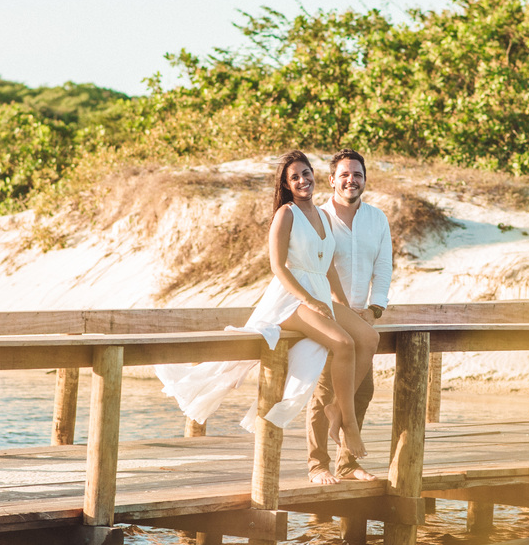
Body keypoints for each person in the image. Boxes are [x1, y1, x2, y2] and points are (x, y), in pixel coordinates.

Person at [155, 150, 378, 461]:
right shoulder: (285, 214)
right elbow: (278, 267)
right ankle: (348, 425)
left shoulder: (325, 216)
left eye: (306, 173)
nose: (303, 180)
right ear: (286, 185)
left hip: (319, 294)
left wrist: (340, 304)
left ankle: (337, 409)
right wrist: (309, 299)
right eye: (295, 177)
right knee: (343, 343)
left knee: (368, 337)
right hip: (289, 302)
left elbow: (326, 266)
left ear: (316, 175)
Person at [306, 148, 393, 484]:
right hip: (327, 313)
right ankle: (317, 465)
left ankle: (346, 464)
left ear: (365, 180)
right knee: (326, 391)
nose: (351, 180)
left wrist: (375, 307)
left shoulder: (377, 219)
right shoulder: (319, 217)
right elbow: (317, 268)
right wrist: (337, 306)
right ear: (331, 180)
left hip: (361, 318)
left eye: (357, 174)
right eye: (344, 174)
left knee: (364, 390)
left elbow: (383, 266)